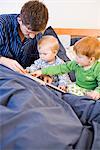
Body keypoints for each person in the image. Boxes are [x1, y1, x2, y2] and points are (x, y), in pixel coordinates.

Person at [31, 36, 100, 100]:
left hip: (92, 90)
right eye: (76, 56)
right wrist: (42, 71)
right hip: (77, 87)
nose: (76, 58)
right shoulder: (76, 63)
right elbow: (60, 68)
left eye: (79, 57)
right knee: (65, 90)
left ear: (91, 59)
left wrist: (97, 92)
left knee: (92, 97)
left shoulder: (97, 68)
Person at [0, 0, 48, 73]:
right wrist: (2, 60)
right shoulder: (2, 24)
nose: (32, 36)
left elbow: (40, 61)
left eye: (36, 33)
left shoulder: (38, 36)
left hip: (23, 77)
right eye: (28, 31)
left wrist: (44, 72)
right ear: (19, 20)